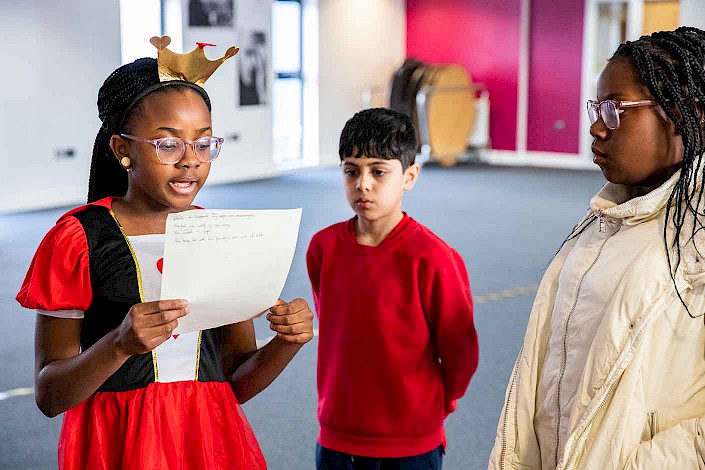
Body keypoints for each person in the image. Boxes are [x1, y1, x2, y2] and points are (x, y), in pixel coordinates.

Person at [16, 39, 314, 469]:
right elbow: (49, 395)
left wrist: (287, 343)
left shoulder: (219, 236)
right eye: (168, 144)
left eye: (204, 143)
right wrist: (119, 345)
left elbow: (234, 384)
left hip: (209, 441)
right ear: (123, 151)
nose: (190, 161)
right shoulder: (78, 238)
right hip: (116, 444)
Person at [488, 27, 705, 470]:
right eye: (596, 108)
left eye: (614, 109)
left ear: (688, 116)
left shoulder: (696, 237)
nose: (595, 127)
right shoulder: (606, 216)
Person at [306, 108, 479, 469]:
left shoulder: (434, 258)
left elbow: (461, 353)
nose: (362, 184)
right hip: (337, 433)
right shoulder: (323, 248)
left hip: (411, 442)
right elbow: (337, 333)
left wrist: (433, 406)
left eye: (378, 172)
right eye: (351, 171)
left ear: (410, 176)